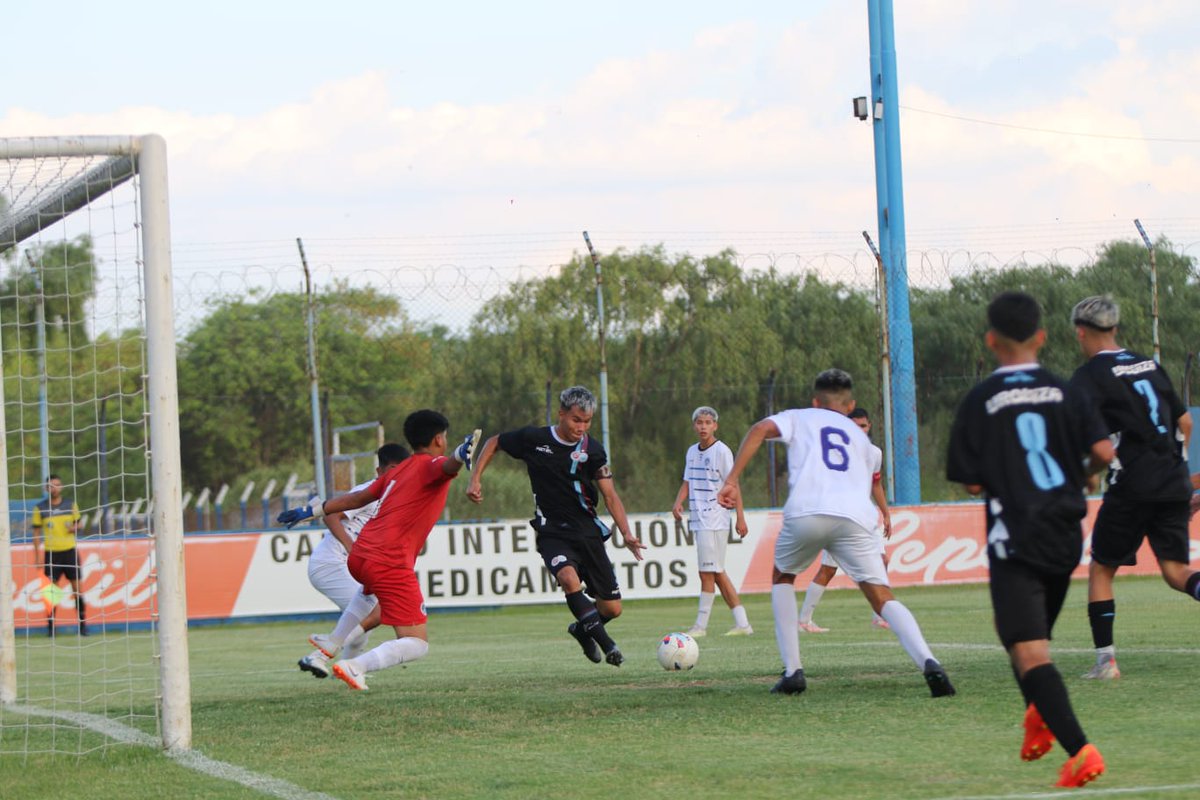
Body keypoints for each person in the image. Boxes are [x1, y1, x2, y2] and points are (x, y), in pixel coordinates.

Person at [948, 291, 1111, 788]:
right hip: (1064, 534)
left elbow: (972, 481)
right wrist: (1084, 474)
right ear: (1041, 337)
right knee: (1019, 635)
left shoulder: (980, 400)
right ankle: (1037, 714)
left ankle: (1081, 750)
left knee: (1031, 653)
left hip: (1015, 535)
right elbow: (1103, 450)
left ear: (990, 340)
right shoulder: (1068, 391)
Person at [718, 369, 954, 698]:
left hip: (808, 510)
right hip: (855, 517)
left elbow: (759, 430)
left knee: (783, 577)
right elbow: (871, 480)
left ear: (816, 401)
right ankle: (930, 663)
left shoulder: (800, 416)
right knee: (882, 595)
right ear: (850, 405)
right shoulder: (863, 440)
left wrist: (731, 480)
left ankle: (793, 671)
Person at [278, 410, 479, 690]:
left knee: (366, 594)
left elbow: (358, 497)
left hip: (361, 556)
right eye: (445, 437)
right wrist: (459, 453)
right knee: (417, 643)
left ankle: (331, 643)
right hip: (389, 560)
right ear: (438, 439)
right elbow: (446, 467)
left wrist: (310, 510)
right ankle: (354, 665)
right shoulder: (431, 465)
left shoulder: (397, 471)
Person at [1068, 295, 1200, 681]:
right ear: (1114, 328)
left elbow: (1102, 450)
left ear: (1081, 332)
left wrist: (1086, 473)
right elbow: (1185, 424)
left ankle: (1106, 662)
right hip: (1174, 481)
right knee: (1176, 571)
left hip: (1133, 487)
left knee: (1102, 569)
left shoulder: (1089, 376)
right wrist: (1175, 466)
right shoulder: (1149, 363)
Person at [467, 386, 646, 667]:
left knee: (612, 608)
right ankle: (609, 646)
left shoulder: (593, 450)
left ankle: (581, 629)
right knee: (568, 578)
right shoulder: (534, 439)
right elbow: (494, 442)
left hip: (587, 532)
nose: (581, 427)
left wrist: (627, 534)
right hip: (551, 531)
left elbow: (611, 496)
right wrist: (475, 478)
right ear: (561, 414)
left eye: (587, 422)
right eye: (576, 420)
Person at [296, 442, 410, 679]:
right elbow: (330, 515)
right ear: (381, 472)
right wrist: (352, 547)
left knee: (369, 618)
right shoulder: (371, 491)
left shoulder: (399, 497)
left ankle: (342, 666)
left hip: (349, 565)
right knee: (371, 611)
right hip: (330, 563)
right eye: (392, 470)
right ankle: (328, 656)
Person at [797, 406, 893, 633]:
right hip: (839, 516)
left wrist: (885, 512)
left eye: (863, 426)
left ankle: (878, 615)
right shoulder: (835, 453)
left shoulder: (875, 453)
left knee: (882, 560)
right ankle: (804, 620)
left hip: (865, 516)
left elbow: (875, 484)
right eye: (855, 426)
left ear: (869, 427)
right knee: (828, 570)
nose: (859, 429)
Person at [671, 406, 752, 638]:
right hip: (699, 518)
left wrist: (740, 517)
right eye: (699, 422)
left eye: (708, 422)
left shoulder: (722, 451)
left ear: (715, 425)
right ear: (694, 425)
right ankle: (743, 623)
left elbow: (733, 485)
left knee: (707, 573)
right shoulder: (691, 452)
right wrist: (678, 502)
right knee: (716, 572)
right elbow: (687, 482)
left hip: (715, 519)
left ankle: (700, 626)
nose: (703, 426)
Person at [31, 474, 87, 637]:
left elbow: (80, 523)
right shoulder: (40, 508)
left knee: (77, 590)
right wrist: (37, 556)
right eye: (51, 485)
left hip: (69, 552)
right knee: (51, 592)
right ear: (46, 488)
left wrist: (74, 528)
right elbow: (36, 534)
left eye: (57, 485)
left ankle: (83, 627)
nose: (54, 488)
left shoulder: (70, 504)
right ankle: (50, 628)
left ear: (61, 487)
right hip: (51, 554)